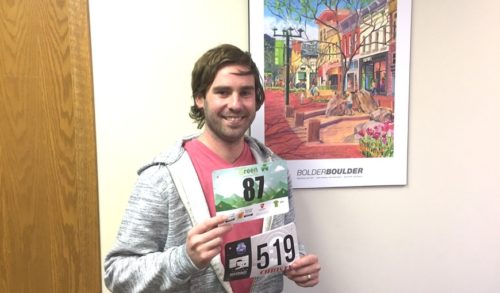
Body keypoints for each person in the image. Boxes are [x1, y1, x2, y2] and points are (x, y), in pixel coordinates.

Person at [104, 44, 321, 293]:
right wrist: (184, 259)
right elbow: (116, 273)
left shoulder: (273, 169)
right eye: (222, 92)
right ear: (200, 98)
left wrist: (297, 262)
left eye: (246, 93)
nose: (236, 104)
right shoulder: (163, 177)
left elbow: (281, 243)